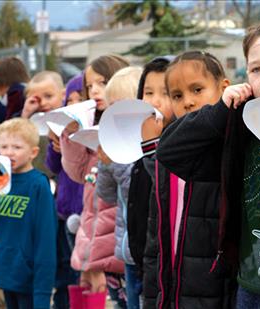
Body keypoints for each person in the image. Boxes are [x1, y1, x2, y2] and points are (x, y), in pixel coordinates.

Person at [156, 19, 260, 308]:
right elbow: (169, 151)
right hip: (249, 285)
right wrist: (220, 110)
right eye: (256, 69)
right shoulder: (239, 128)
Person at [143, 51, 234, 308]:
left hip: (214, 290)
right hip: (172, 292)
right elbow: (155, 243)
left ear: (223, 88)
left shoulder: (228, 148)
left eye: (197, 89)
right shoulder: (169, 153)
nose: (188, 102)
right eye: (178, 95)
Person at [59, 54, 129, 308]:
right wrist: (70, 134)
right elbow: (77, 172)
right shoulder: (92, 126)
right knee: (89, 293)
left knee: (119, 299)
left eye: (102, 82)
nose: (95, 91)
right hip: (91, 228)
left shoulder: (127, 128)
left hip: (117, 237)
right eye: (90, 85)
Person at [0, 117, 57, 309]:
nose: (9, 153)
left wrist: (43, 293)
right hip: (6, 271)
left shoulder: (38, 185)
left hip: (30, 277)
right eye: (4, 147)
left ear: (33, 152)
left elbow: (46, 240)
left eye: (17, 147)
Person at [125, 56, 174, 308]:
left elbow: (164, 188)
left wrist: (152, 146)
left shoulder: (177, 145)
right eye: (148, 92)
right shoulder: (139, 141)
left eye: (165, 93)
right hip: (142, 260)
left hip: (166, 266)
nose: (155, 101)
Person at [96, 66, 143, 309]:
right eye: (110, 106)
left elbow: (134, 191)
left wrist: (113, 164)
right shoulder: (117, 145)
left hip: (144, 252)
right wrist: (105, 163)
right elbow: (107, 196)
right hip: (126, 252)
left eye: (121, 106)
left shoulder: (146, 147)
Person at [45, 73, 84, 309]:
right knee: (63, 270)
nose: (74, 104)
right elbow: (52, 166)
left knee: (79, 275)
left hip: (84, 217)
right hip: (63, 213)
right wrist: (55, 146)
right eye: (70, 100)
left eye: (81, 98)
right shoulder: (63, 128)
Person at [21, 70, 66, 178]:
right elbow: (17, 137)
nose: (43, 103)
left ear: (63, 94)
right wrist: (26, 113)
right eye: (37, 99)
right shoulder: (31, 120)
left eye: (48, 96)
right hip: (35, 178)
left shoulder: (69, 121)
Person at [0, 57, 30, 139]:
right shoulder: (16, 92)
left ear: (0, 81)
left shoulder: (16, 92)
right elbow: (2, 133)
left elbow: (8, 120)